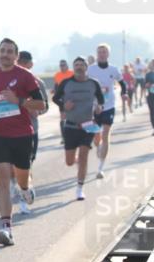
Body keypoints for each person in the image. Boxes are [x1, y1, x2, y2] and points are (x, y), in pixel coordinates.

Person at [0, 38, 46, 246]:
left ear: (16, 56)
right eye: (2, 51)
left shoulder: (25, 77)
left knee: (21, 177)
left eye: (9, 52)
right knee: (3, 179)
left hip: (22, 134)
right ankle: (6, 228)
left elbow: (41, 103)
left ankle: (25, 189)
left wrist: (20, 101)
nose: (5, 54)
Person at [52, 56, 104, 200]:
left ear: (86, 67)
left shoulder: (94, 83)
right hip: (70, 126)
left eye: (82, 64)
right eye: (77, 65)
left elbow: (101, 99)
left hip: (87, 125)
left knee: (84, 156)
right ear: (73, 67)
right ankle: (76, 163)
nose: (79, 67)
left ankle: (80, 189)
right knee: (70, 162)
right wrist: (64, 106)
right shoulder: (66, 82)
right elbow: (55, 98)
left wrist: (99, 107)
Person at [13, 51, 48, 214]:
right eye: (19, 61)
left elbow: (45, 106)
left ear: (31, 65)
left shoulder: (37, 82)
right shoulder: (8, 82)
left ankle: (24, 198)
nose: (21, 65)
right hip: (9, 130)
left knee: (25, 165)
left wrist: (36, 111)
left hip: (29, 130)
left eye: (25, 62)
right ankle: (21, 191)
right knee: (12, 167)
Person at [86, 44, 129, 179]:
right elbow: (84, 84)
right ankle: (98, 147)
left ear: (108, 54)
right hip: (94, 107)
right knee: (96, 137)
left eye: (104, 52)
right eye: (99, 52)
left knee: (105, 134)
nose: (102, 54)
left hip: (109, 106)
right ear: (97, 54)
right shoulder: (90, 69)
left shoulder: (113, 69)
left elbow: (122, 83)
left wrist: (124, 93)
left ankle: (100, 168)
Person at [145, 60, 154, 135]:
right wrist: (149, 85)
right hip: (151, 95)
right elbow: (145, 85)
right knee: (152, 112)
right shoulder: (148, 74)